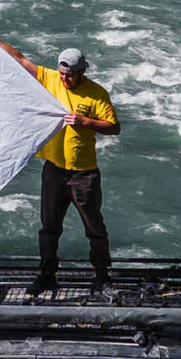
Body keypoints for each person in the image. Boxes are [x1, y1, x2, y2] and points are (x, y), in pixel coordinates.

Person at [29, 41, 120, 288]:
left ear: (82, 72)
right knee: (49, 227)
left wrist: (85, 121)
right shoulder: (52, 79)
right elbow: (20, 60)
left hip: (84, 174)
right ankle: (46, 274)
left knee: (94, 228)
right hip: (54, 169)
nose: (65, 79)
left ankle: (102, 275)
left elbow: (114, 127)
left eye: (69, 75)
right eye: (62, 74)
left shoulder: (97, 93)